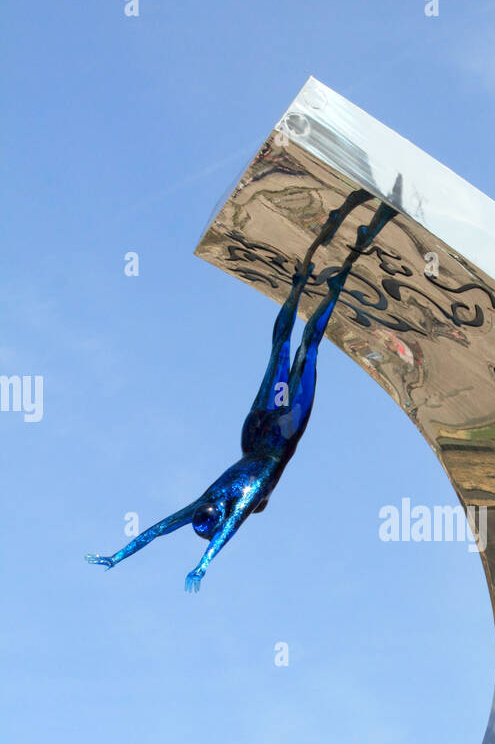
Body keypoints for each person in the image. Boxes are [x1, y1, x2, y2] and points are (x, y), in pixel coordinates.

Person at [86, 189, 396, 592]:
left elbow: (213, 530)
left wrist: (195, 564)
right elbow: (167, 528)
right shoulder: (223, 497)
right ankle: (308, 279)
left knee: (304, 350)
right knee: (284, 352)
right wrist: (125, 555)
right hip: (258, 429)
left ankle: (337, 269)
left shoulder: (246, 493)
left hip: (279, 428)